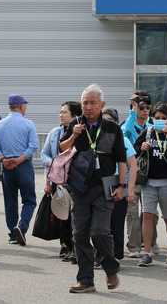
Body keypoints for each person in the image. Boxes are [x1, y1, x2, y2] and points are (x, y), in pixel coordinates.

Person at [60, 84, 126, 293]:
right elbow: (62, 149)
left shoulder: (112, 128)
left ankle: (111, 268)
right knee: (79, 234)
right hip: (79, 188)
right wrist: (73, 136)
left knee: (99, 232)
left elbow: (122, 160)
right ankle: (86, 280)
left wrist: (122, 186)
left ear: (102, 104)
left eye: (92, 103)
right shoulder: (75, 124)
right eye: (85, 103)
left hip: (104, 187)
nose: (88, 107)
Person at [134, 103, 167, 267]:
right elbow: (133, 152)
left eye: (164, 118)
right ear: (152, 119)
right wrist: (141, 147)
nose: (160, 121)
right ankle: (146, 252)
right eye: (157, 118)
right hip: (149, 182)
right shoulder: (147, 132)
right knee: (147, 215)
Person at [0, 94, 38, 245]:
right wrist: (19, 160)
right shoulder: (28, 123)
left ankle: (12, 234)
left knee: (10, 201)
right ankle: (22, 228)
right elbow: (33, 145)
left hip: (7, 167)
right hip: (23, 165)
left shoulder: (0, 124)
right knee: (29, 200)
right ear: (22, 106)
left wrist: (3, 159)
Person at [41, 101, 82, 260]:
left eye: (64, 112)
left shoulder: (81, 133)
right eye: (60, 112)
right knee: (62, 215)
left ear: (75, 116)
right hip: (59, 182)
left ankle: (75, 248)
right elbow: (44, 154)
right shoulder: (54, 133)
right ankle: (66, 246)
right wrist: (51, 163)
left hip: (76, 181)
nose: (61, 115)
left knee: (76, 215)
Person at [122, 91, 158, 258]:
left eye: (147, 107)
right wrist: (133, 108)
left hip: (149, 175)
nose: (145, 110)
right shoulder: (127, 126)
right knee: (133, 213)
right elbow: (127, 131)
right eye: (141, 107)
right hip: (132, 176)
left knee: (151, 212)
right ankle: (135, 246)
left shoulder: (151, 126)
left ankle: (151, 242)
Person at [100, 108, 137, 262]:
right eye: (103, 120)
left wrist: (130, 189)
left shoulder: (123, 139)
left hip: (118, 183)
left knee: (117, 222)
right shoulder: (97, 138)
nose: (106, 123)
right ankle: (101, 254)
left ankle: (116, 256)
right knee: (101, 224)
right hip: (101, 183)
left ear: (116, 122)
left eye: (110, 120)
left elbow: (133, 165)